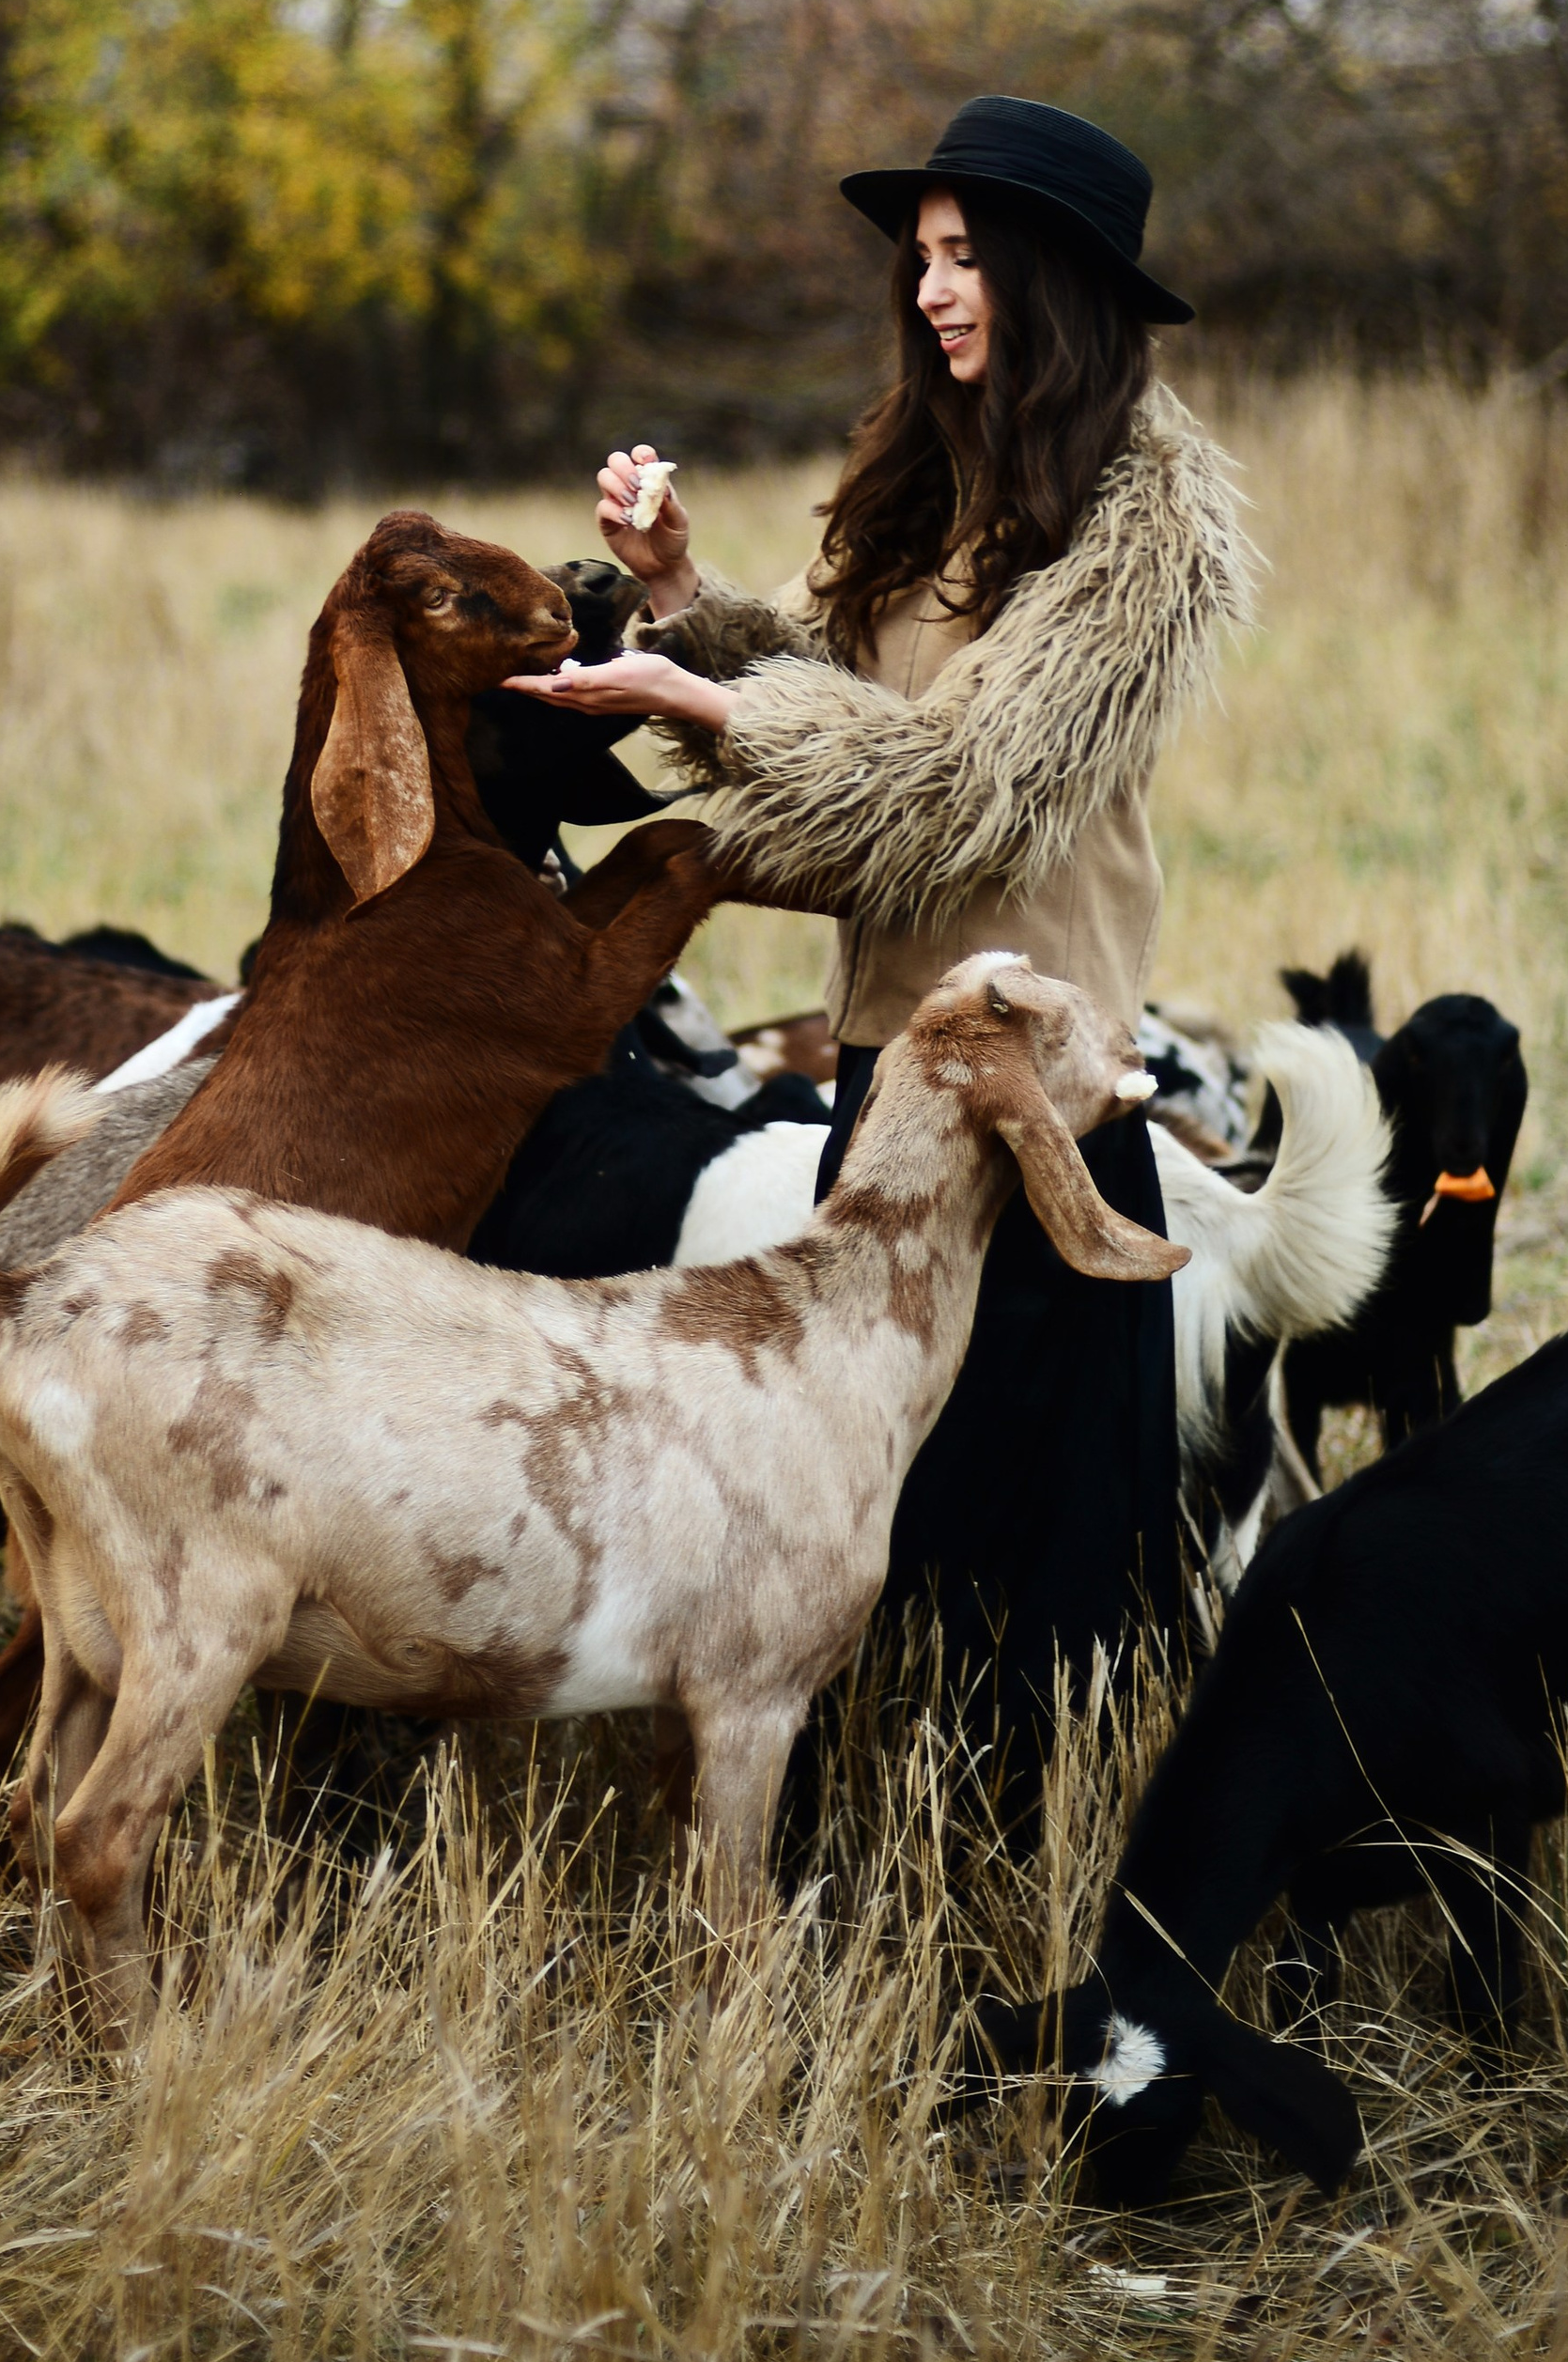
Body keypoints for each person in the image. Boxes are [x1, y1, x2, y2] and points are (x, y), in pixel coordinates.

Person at [505, 94, 1256, 1832]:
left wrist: (712, 706)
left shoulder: (1140, 525)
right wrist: (689, 603)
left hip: (1041, 1106)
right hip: (883, 1087)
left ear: (1058, 275)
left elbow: (956, 786)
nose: (929, 290)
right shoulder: (926, 476)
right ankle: (855, 1857)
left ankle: (1047, 1882)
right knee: (864, 1517)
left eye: (967, 254)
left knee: (1058, 1563)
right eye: (919, 257)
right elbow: (825, 682)